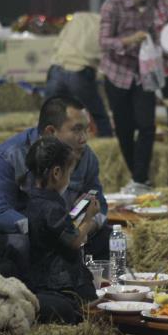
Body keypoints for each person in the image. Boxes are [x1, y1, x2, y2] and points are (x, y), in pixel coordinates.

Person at [0, 95, 109, 278]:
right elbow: (0, 214)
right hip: (20, 232)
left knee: (106, 236)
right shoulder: (10, 155)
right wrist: (45, 230)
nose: (84, 139)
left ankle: (97, 287)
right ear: (50, 132)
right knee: (21, 244)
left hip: (62, 228)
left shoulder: (86, 157)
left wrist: (85, 225)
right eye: (77, 130)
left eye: (86, 130)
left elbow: (100, 205)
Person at [99, 0, 166, 194]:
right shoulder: (113, 4)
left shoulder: (152, 7)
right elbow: (103, 42)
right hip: (117, 74)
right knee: (124, 128)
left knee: (147, 126)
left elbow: (155, 37)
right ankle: (136, 176)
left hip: (142, 75)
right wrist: (129, 40)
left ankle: (140, 178)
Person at [24, 136, 100, 324]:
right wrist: (88, 217)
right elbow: (74, 241)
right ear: (57, 173)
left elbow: (60, 230)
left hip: (40, 277)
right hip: (61, 283)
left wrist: (75, 212)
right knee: (95, 308)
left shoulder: (33, 199)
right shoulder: (52, 207)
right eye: (69, 173)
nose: (69, 179)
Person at [45, 12, 113, 137]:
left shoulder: (78, 18)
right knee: (98, 114)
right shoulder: (110, 27)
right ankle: (106, 138)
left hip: (58, 67)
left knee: (51, 115)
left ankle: (47, 141)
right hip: (80, 70)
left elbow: (58, 41)